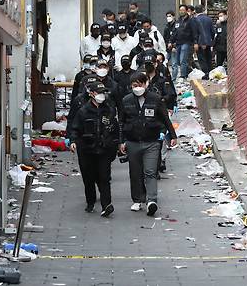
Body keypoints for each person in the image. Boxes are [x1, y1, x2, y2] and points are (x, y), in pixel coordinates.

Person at [120, 72, 177, 216]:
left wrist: (172, 135)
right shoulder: (126, 100)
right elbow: (121, 122)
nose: (137, 87)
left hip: (151, 142)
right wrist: (121, 141)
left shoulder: (155, 99)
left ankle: (152, 200)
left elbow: (165, 118)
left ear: (146, 84)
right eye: (134, 85)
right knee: (135, 172)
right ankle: (138, 199)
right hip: (132, 142)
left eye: (140, 84)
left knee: (150, 172)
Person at [69, 82, 119, 217]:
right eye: (99, 92)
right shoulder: (83, 111)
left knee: (104, 177)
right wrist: (73, 141)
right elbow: (75, 128)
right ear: (91, 94)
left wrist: (115, 144)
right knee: (88, 177)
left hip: (103, 150)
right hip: (86, 150)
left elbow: (114, 128)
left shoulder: (108, 109)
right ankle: (90, 201)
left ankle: (106, 205)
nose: (102, 95)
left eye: (103, 92)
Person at [170, 4, 197, 80]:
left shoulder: (190, 21)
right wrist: (170, 41)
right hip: (178, 43)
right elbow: (174, 32)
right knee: (177, 61)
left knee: (183, 60)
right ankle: (186, 72)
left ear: (186, 11)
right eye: (180, 10)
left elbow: (194, 32)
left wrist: (195, 42)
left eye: (183, 10)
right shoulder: (178, 21)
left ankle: (183, 76)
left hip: (186, 43)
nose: (181, 11)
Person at [193, 5, 215, 78]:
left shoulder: (195, 20)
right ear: (203, 10)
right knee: (208, 58)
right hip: (208, 42)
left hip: (199, 43)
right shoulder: (208, 19)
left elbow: (194, 32)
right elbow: (212, 32)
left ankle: (205, 74)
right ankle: (210, 73)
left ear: (195, 11)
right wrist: (211, 41)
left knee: (202, 59)